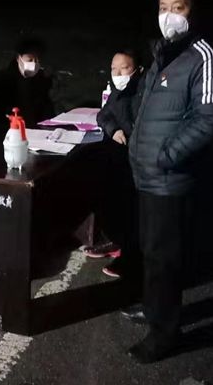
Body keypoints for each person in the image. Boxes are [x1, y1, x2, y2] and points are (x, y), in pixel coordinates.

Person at [125, 0, 213, 363]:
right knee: (151, 250)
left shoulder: (202, 56)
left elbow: (207, 121)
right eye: (163, 7)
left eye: (177, 8)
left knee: (164, 257)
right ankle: (154, 309)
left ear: (192, 12)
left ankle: (164, 334)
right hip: (147, 174)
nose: (168, 15)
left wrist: (166, 156)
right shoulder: (161, 54)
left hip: (168, 176)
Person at [85, 49, 142, 279]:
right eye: (113, 69)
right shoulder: (118, 91)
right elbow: (104, 115)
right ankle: (116, 242)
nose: (118, 74)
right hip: (118, 159)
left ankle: (130, 256)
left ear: (137, 70)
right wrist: (113, 129)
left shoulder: (143, 91)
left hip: (137, 160)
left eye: (124, 68)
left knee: (132, 210)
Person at [0, 36, 54, 138]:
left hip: (36, 133)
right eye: (30, 59)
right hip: (10, 134)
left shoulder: (41, 80)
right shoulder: (3, 80)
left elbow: (46, 109)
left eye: (37, 60)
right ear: (18, 58)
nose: (34, 64)